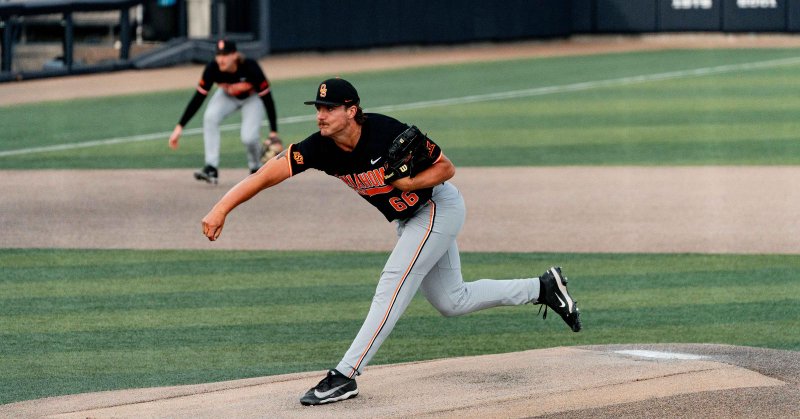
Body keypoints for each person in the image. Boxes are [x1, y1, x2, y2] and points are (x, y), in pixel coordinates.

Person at [200, 78, 582, 406]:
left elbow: (447, 168)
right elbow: (268, 174)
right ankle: (543, 287)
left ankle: (344, 375)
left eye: (329, 108)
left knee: (391, 284)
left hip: (436, 208)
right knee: (452, 301)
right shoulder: (319, 147)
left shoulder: (385, 131)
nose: (320, 115)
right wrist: (221, 208)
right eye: (318, 107)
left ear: (351, 110)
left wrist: (410, 183)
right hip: (409, 219)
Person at [169, 39, 280, 184]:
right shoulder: (212, 69)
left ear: (234, 55)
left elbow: (267, 98)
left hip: (252, 99)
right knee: (210, 117)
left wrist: (273, 132)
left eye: (225, 55)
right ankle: (211, 167)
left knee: (249, 137)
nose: (221, 59)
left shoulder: (250, 67)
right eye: (218, 55)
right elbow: (198, 97)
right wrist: (180, 126)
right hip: (227, 96)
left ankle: (255, 168)